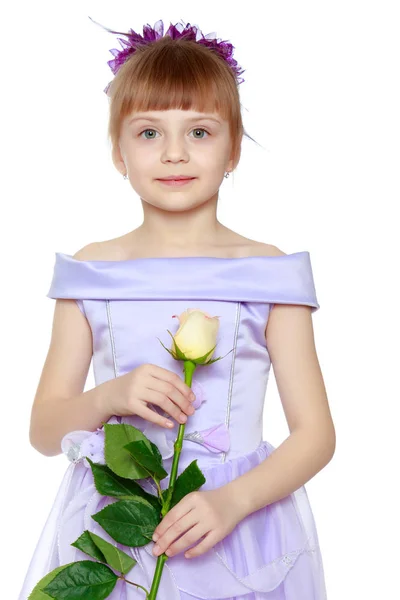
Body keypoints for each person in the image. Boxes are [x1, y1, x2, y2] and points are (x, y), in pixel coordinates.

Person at [19, 18, 335, 600]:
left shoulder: (270, 273)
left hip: (237, 526)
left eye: (199, 132)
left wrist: (232, 500)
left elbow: (315, 435)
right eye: (147, 133)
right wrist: (110, 397)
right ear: (118, 150)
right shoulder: (92, 273)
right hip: (118, 530)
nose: (172, 153)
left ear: (233, 148)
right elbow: (43, 430)